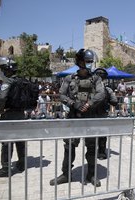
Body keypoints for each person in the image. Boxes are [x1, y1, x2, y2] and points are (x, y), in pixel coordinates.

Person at [49, 49, 105, 187]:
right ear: (80, 62)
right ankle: (66, 174)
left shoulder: (96, 78)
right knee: (69, 147)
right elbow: (61, 95)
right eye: (88, 61)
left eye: (92, 62)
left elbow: (101, 94)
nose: (91, 64)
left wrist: (89, 104)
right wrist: (74, 104)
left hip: (90, 118)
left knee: (92, 148)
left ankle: (91, 175)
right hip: (74, 117)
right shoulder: (69, 78)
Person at [0, 58, 27, 177]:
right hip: (21, 114)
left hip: (9, 114)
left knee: (7, 141)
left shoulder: (8, 81)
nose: (2, 71)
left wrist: (0, 109)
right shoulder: (22, 81)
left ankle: (6, 168)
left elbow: (2, 97)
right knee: (20, 139)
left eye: (3, 69)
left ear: (8, 69)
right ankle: (22, 164)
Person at [93, 68, 118, 160]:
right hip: (102, 115)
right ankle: (101, 152)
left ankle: (92, 153)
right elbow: (114, 101)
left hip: (91, 116)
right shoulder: (107, 90)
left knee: (91, 135)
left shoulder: (90, 88)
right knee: (102, 135)